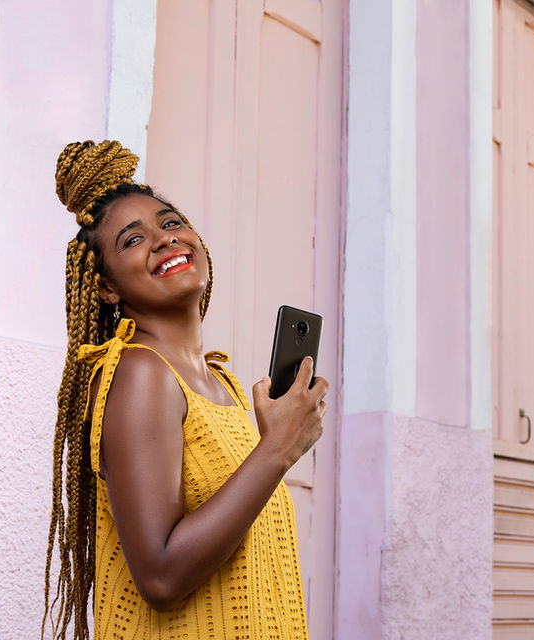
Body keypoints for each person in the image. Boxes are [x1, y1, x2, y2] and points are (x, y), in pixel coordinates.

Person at [43, 140, 328, 640]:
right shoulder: (139, 373)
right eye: (132, 240)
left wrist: (274, 441)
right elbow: (160, 574)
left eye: (171, 223)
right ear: (106, 288)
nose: (163, 240)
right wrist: (279, 449)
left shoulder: (225, 385)